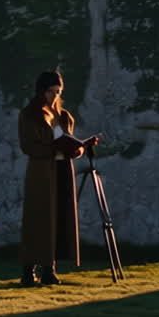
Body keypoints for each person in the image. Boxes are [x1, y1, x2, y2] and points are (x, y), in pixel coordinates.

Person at [17, 70, 98, 286]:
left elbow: (71, 143)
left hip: (62, 172)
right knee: (38, 220)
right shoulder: (29, 115)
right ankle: (28, 270)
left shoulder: (64, 116)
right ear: (42, 91)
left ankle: (49, 270)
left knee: (58, 219)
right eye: (51, 91)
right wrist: (54, 149)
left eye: (58, 91)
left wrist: (81, 147)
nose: (55, 95)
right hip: (40, 174)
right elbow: (28, 146)